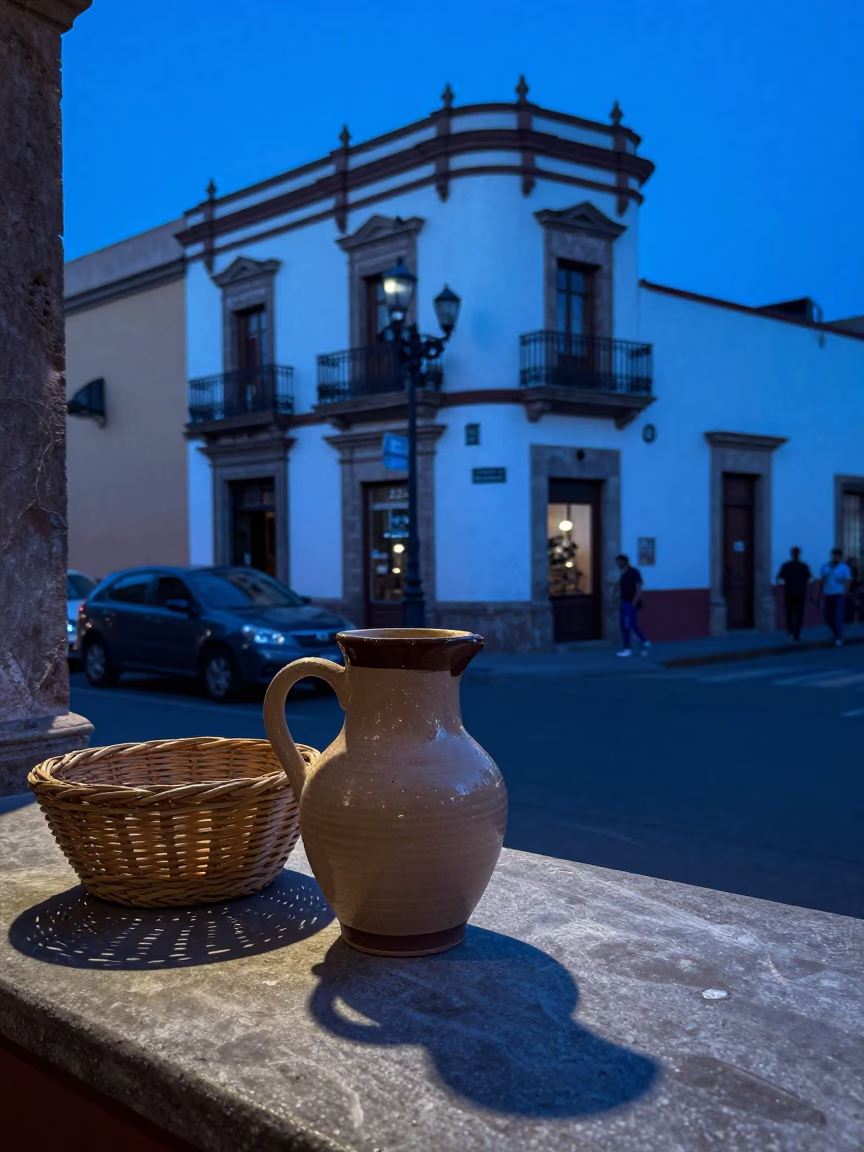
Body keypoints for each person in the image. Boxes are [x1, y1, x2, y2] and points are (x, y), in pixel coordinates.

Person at [616, 554, 650, 657]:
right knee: (624, 625)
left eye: (619, 562)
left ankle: (639, 644)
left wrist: (633, 603)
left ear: (624, 562)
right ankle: (636, 645)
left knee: (630, 625)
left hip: (630, 603)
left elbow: (638, 588)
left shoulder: (634, 572)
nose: (618, 565)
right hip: (624, 602)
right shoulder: (624, 574)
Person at [776, 547, 811, 642]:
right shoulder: (804, 566)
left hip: (789, 592)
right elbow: (809, 579)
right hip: (800, 592)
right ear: (799, 554)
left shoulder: (786, 566)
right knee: (799, 614)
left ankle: (790, 632)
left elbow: (779, 578)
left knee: (789, 613)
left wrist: (782, 588)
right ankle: (797, 633)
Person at [819, 548, 852, 646]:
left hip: (839, 594)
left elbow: (848, 581)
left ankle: (838, 637)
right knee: (827, 617)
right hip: (828, 593)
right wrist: (819, 594)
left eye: (837, 555)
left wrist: (845, 593)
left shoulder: (844, 568)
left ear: (840, 557)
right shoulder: (826, 567)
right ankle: (835, 633)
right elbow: (822, 580)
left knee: (838, 616)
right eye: (834, 555)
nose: (835, 557)